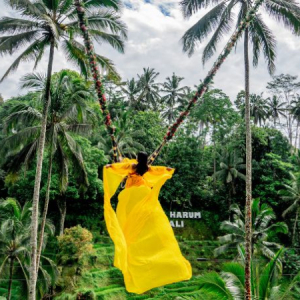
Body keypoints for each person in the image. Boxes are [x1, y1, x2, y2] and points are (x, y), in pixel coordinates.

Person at [103, 152, 192, 294]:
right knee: (144, 218)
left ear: (138, 159)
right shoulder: (146, 168)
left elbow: (121, 167)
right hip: (144, 193)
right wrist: (167, 170)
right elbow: (159, 170)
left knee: (128, 218)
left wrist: (110, 166)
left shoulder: (133, 166)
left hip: (133, 194)